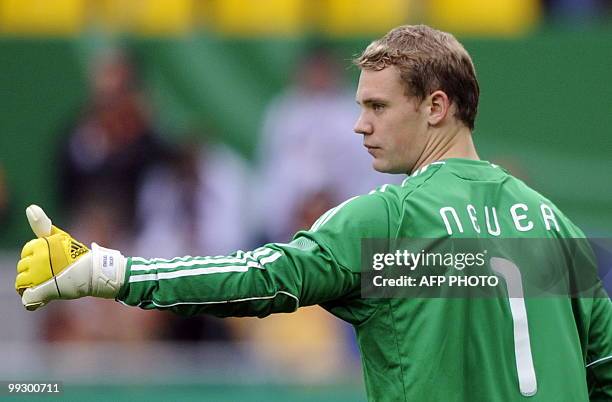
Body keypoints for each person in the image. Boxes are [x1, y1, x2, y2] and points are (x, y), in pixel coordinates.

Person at [15, 25, 611, 401]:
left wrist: (107, 272)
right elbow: (605, 372)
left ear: (436, 106)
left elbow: (258, 279)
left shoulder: (389, 225)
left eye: (377, 106)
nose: (359, 124)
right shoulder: (556, 227)